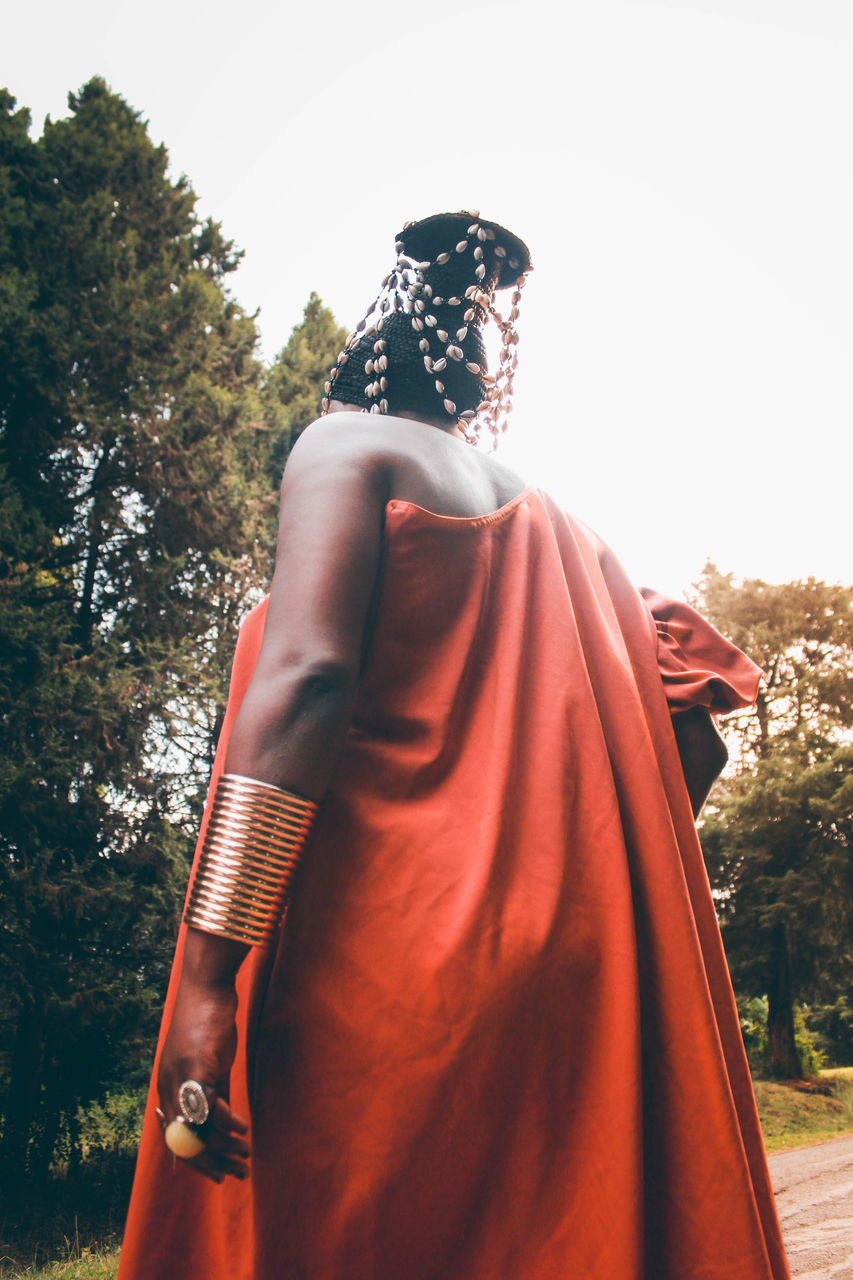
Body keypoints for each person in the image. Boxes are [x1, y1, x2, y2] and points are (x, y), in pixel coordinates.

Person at [118, 212, 791, 1279]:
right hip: (553, 970)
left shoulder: (344, 446)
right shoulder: (575, 538)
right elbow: (693, 734)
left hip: (383, 965)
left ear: (364, 355)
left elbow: (305, 682)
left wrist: (207, 972)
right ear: (477, 381)